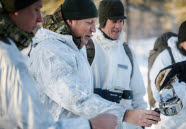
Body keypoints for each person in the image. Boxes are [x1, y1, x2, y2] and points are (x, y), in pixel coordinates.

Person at [27, 0, 160, 128]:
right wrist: (124, 114)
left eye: (94, 23)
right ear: (70, 21)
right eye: (89, 23)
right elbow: (75, 98)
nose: (93, 29)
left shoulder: (73, 48)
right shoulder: (50, 52)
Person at [0, 0, 117, 129]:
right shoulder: (12, 56)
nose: (40, 18)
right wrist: (90, 124)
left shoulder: (76, 48)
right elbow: (34, 124)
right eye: (36, 9)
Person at [84, 0, 148, 128]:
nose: (118, 26)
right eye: (114, 21)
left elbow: (138, 95)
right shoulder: (87, 48)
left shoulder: (127, 52)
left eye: (121, 21)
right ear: (103, 21)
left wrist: (142, 124)